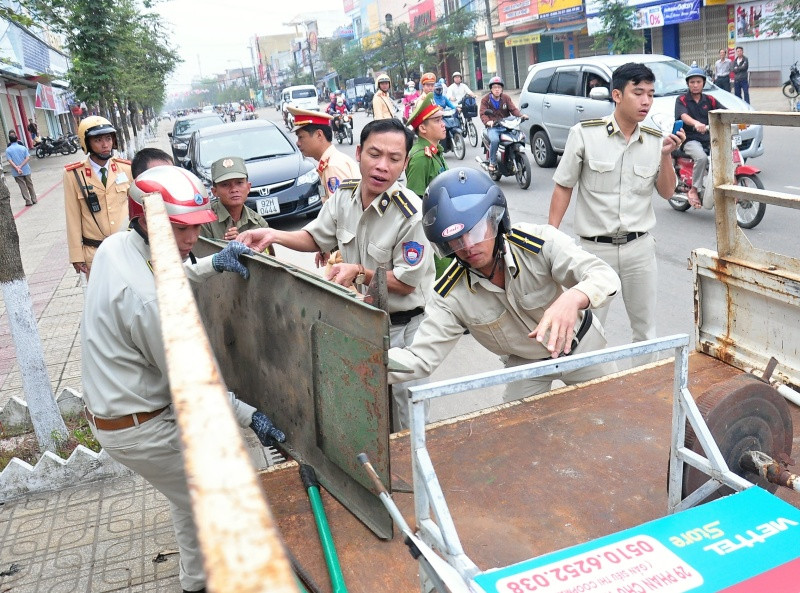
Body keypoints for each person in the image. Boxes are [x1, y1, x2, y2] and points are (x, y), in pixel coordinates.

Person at [82, 165, 283, 593]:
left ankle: (197, 582)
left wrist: (211, 263)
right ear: (143, 219)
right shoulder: (148, 304)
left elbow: (165, 277)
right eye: (179, 229)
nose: (191, 239)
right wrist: (250, 416)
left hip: (120, 411)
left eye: (195, 226)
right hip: (140, 426)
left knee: (189, 497)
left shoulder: (116, 246)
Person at [238, 119, 435, 430]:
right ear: (358, 153)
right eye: (374, 154)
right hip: (364, 322)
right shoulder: (345, 197)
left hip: (406, 329)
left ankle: (415, 476)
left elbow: (405, 283)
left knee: (408, 418)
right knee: (368, 411)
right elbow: (315, 237)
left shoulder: (411, 213)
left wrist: (358, 270)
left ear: (405, 163)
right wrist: (273, 235)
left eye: (394, 159)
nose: (382, 166)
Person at [388, 168, 620, 402]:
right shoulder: (450, 295)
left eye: (476, 230)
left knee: (614, 413)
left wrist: (573, 298)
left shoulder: (537, 244)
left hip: (581, 347)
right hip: (526, 366)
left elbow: (603, 275)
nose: (468, 246)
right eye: (456, 240)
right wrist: (362, 363)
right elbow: (419, 359)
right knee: (516, 433)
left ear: (495, 220)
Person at [549, 62, 684, 354]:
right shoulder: (585, 134)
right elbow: (563, 186)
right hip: (595, 252)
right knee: (588, 331)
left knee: (645, 330)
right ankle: (593, 394)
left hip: (639, 249)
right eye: (638, 93)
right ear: (617, 95)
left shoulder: (654, 138)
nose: (646, 101)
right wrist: (550, 238)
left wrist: (666, 157)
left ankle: (643, 394)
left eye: (650, 93)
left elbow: (667, 192)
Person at [63, 115, 133, 278]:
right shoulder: (74, 175)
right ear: (86, 143)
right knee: (102, 301)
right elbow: (72, 216)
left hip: (126, 248)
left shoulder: (125, 169)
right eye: (98, 140)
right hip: (95, 253)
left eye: (108, 138)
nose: (105, 145)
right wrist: (76, 255)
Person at [675, 66, 726, 209]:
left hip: (709, 137)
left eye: (698, 82)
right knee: (702, 158)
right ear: (688, 84)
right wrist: (696, 123)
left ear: (703, 83)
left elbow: (723, 111)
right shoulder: (682, 100)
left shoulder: (710, 99)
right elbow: (683, 116)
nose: (695, 85)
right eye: (692, 82)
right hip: (690, 139)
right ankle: (694, 189)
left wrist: (739, 119)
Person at [200, 156, 270, 242]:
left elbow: (267, 254)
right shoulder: (204, 221)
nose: (234, 189)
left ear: (248, 187)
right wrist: (223, 246)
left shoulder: (258, 224)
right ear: (215, 191)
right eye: (225, 184)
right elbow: (198, 254)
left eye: (239, 183)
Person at [479, 76, 528, 173]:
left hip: (506, 125)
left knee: (521, 136)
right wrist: (488, 122)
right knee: (495, 140)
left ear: (502, 89)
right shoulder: (485, 100)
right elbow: (483, 113)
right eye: (494, 87)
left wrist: (521, 116)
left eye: (499, 87)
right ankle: (492, 162)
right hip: (494, 127)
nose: (497, 89)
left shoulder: (506, 98)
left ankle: (514, 155)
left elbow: (513, 109)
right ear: (491, 89)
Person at [405, 93, 447, 199]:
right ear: (423, 128)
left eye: (441, 119)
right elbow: (415, 199)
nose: (443, 124)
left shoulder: (436, 150)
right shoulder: (420, 157)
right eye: (437, 121)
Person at [6, 131, 37, 206]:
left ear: (9, 140)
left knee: (22, 186)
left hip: (16, 171)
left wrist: (17, 168)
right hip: (26, 169)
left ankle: (28, 201)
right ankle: (34, 199)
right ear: (17, 139)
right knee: (30, 184)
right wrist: (21, 166)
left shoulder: (8, 150)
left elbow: (10, 161)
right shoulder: (23, 148)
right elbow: (27, 158)